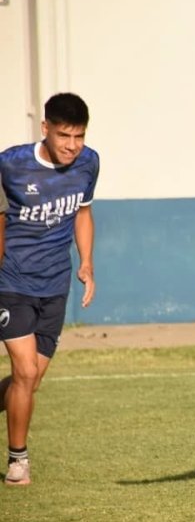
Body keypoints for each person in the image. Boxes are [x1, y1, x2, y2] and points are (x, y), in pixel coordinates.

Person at [0, 92, 100, 486]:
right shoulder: (10, 165)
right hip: (12, 284)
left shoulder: (89, 163)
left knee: (31, 382)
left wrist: (87, 263)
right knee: (23, 372)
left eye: (79, 136)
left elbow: (84, 213)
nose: (72, 146)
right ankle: (18, 462)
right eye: (64, 136)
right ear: (46, 128)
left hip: (56, 285)